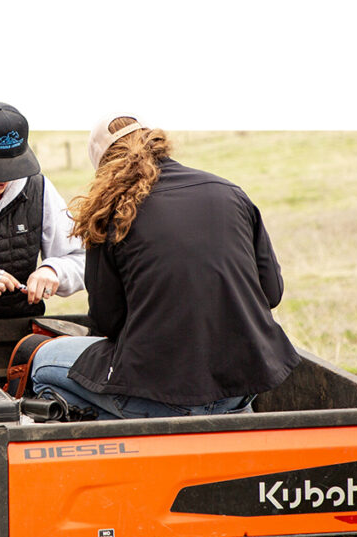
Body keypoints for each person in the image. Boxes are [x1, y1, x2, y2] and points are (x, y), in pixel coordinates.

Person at [30, 114, 300, 419]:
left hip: (159, 392)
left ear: (103, 167)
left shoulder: (110, 212)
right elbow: (272, 294)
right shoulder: (230, 192)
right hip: (240, 389)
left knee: (42, 362)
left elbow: (107, 322)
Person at [0, 102, 85, 319]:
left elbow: (80, 259)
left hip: (22, 327)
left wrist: (53, 270)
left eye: (13, 165)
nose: (5, 177)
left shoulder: (39, 188)